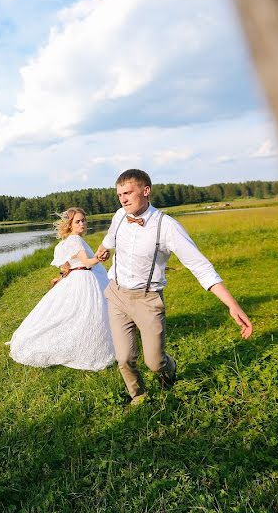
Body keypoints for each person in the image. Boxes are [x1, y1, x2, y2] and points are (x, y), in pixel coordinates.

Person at [95, 169, 253, 405]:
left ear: (146, 191)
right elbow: (111, 236)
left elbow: (200, 266)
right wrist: (104, 247)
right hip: (117, 294)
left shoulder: (167, 226)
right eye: (119, 195)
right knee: (124, 358)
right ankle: (138, 396)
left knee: (155, 361)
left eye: (128, 193)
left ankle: (169, 369)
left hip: (147, 300)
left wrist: (232, 305)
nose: (123, 199)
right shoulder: (120, 215)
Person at [7, 208, 116, 371]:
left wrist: (63, 275)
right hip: (84, 279)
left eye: (83, 220)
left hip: (80, 277)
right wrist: (98, 257)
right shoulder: (75, 240)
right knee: (86, 312)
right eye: (77, 221)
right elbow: (86, 262)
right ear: (70, 224)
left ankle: (87, 339)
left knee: (80, 313)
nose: (82, 224)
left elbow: (67, 267)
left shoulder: (70, 241)